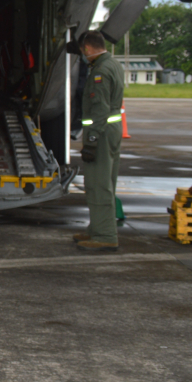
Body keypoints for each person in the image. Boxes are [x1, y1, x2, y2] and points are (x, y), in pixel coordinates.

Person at [74, 30, 124, 251]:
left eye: (82, 51)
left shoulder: (100, 73)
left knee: (98, 184)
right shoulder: (113, 64)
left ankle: (104, 235)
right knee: (107, 181)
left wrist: (91, 141)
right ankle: (97, 229)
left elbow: (100, 111)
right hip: (112, 131)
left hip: (101, 132)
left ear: (87, 48)